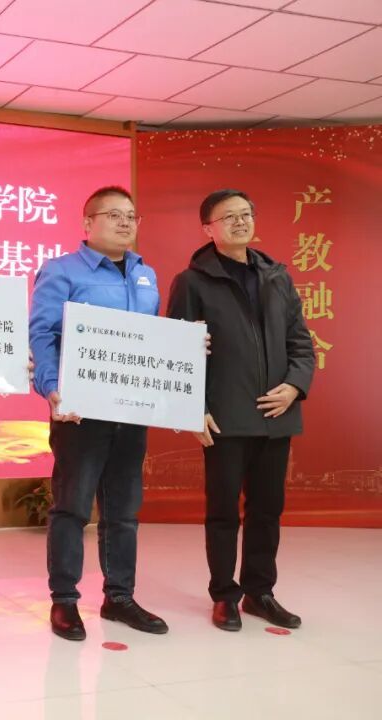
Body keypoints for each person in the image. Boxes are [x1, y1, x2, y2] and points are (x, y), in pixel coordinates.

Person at [167, 189, 314, 632]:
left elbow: (300, 343)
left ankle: (259, 592)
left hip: (276, 415)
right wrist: (193, 409)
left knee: (267, 511)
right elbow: (177, 352)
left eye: (246, 213)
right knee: (223, 512)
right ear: (207, 229)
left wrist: (295, 387)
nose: (240, 222)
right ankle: (224, 595)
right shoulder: (191, 282)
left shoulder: (277, 276)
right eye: (228, 216)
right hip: (224, 417)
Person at [29, 185, 168, 641]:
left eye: (131, 215)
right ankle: (64, 600)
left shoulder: (145, 275)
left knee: (124, 511)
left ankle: (119, 597)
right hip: (80, 413)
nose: (125, 222)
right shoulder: (62, 270)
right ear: (88, 223)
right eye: (114, 214)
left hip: (131, 410)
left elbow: (151, 342)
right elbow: (42, 334)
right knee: (72, 507)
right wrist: (51, 388)